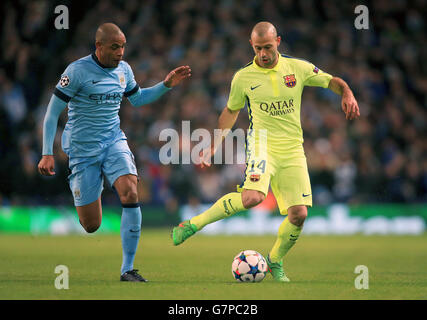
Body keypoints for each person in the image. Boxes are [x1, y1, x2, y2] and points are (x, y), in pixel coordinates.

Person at [171, 21, 359, 282]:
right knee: (252, 198)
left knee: (299, 214)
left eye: (268, 47)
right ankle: (193, 224)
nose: (263, 54)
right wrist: (214, 144)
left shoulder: (298, 68)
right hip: (261, 144)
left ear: (278, 42)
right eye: (258, 48)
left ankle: (275, 260)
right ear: (252, 45)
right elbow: (231, 111)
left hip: (293, 148)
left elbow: (332, 81)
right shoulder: (243, 77)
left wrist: (347, 93)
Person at [38, 23, 191, 282]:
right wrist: (46, 152)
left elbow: (138, 98)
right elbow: (52, 113)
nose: (120, 52)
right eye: (114, 47)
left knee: (131, 189)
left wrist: (165, 85)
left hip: (113, 142)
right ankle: (87, 185)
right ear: (98, 46)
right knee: (91, 225)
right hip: (82, 150)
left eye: (122, 46)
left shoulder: (124, 70)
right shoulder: (76, 71)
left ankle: (127, 269)